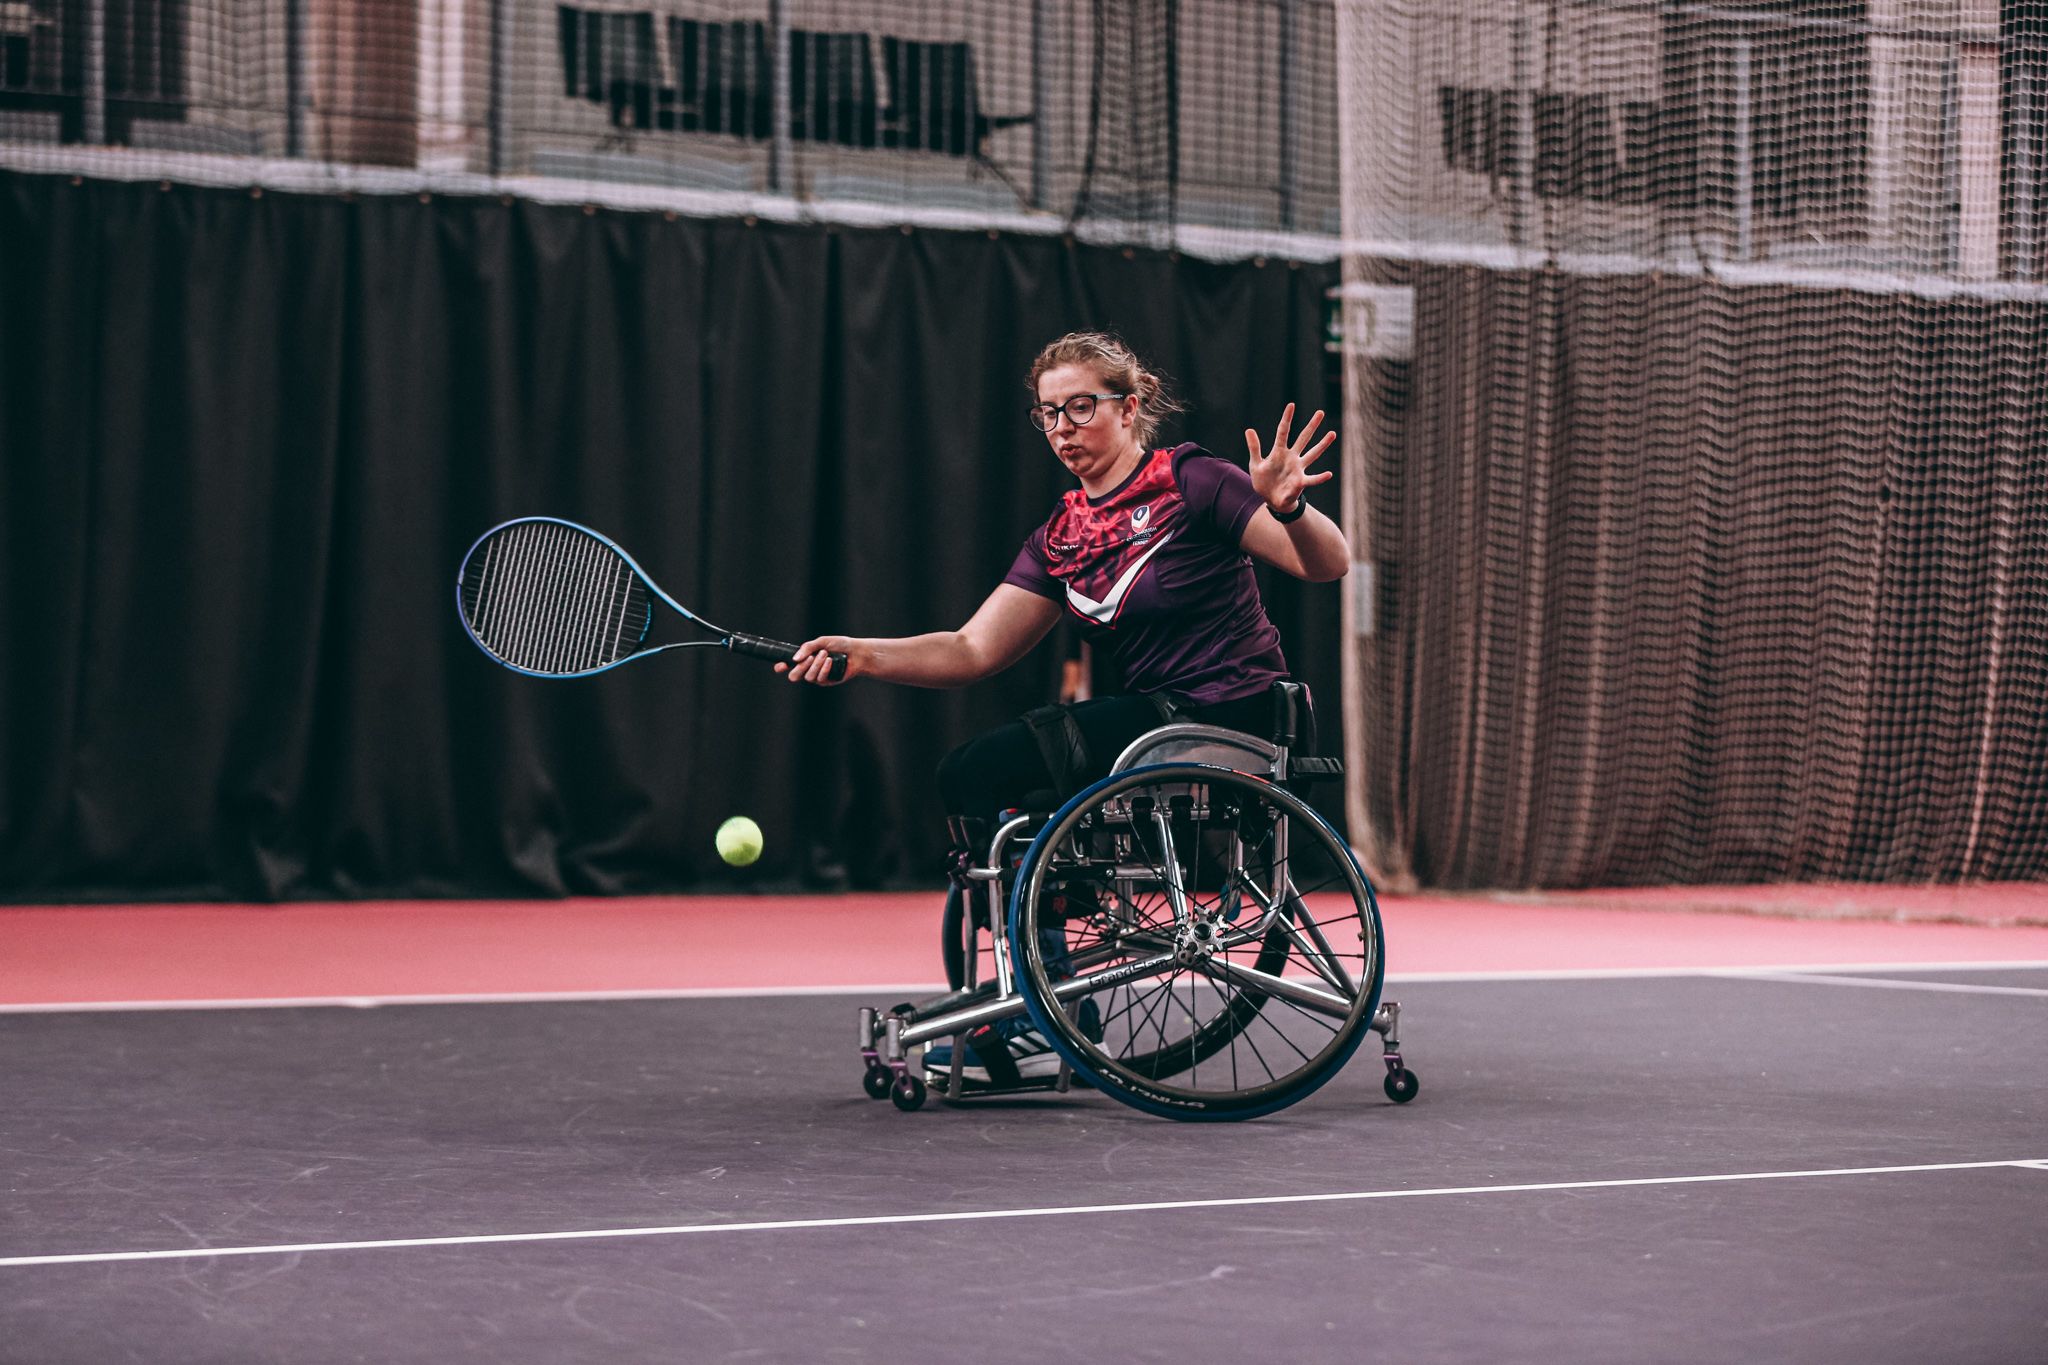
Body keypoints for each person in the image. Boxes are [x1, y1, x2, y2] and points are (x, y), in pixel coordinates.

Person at [779, 331, 1348, 1084]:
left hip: (1232, 716)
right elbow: (970, 650)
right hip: (1155, 725)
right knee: (996, 796)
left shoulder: (1192, 481)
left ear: (1130, 407)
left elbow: (1327, 562)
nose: (1063, 429)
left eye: (1081, 407)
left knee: (982, 767)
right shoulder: (1064, 535)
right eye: (1048, 414)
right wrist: (864, 652)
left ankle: (1047, 1017)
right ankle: (1046, 996)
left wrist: (1292, 505)